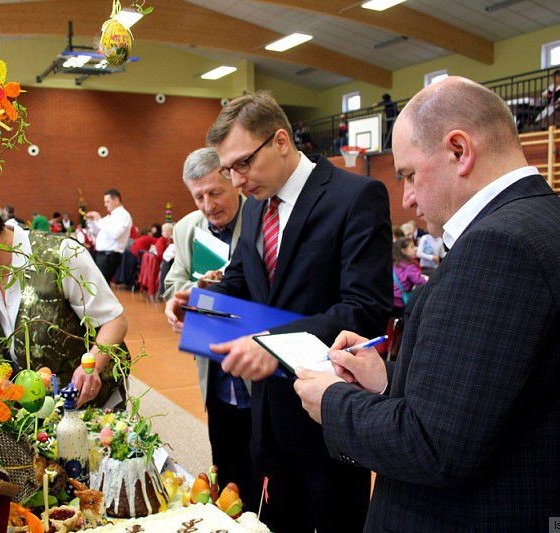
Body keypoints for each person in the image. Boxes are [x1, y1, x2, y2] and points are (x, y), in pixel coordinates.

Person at [293, 77, 560, 529]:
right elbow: (491, 395)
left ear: (459, 151)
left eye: (409, 175)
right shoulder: (555, 222)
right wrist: (386, 380)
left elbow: (434, 447)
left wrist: (334, 403)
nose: (408, 198)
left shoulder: (499, 245)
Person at [165, 92, 392, 532]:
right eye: (228, 169)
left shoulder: (354, 196)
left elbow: (364, 309)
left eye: (242, 164)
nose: (236, 179)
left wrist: (273, 344)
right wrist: (197, 300)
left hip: (329, 419)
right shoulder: (253, 207)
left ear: (282, 141)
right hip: (267, 417)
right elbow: (241, 279)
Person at [0, 187, 129, 408]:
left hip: (87, 409)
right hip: (25, 421)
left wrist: (91, 366)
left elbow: (114, 320)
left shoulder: (60, 255)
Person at [163, 147, 251, 508]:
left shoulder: (261, 217)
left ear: (233, 180)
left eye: (215, 192)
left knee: (265, 465)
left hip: (258, 358)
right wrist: (182, 297)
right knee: (226, 458)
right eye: (198, 196)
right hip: (214, 365)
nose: (208, 204)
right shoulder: (186, 229)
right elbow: (173, 282)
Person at [85, 189, 133, 282]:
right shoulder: (110, 216)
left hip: (109, 256)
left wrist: (99, 220)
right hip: (102, 255)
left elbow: (115, 234)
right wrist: (92, 221)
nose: (105, 204)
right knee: (98, 285)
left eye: (107, 201)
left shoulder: (123, 215)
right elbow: (97, 233)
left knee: (99, 285)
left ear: (116, 200)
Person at [392, 237, 427, 317]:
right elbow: (420, 281)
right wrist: (425, 279)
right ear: (403, 251)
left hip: (393, 299)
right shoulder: (409, 266)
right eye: (411, 247)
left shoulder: (395, 264)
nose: (415, 249)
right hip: (403, 301)